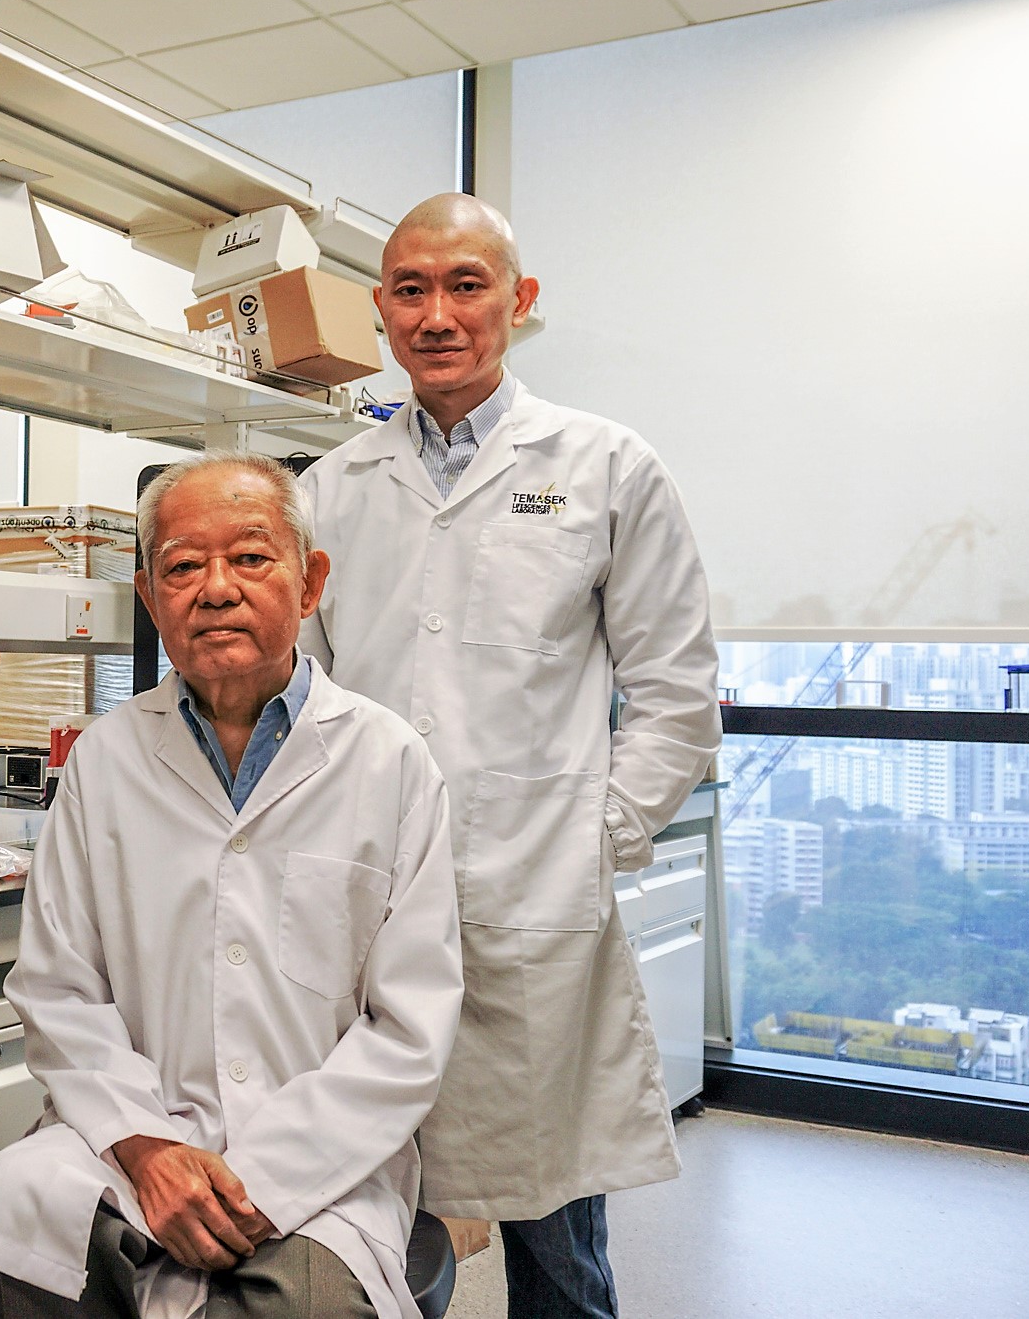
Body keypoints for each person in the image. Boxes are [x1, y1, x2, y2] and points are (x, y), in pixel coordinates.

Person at [298, 193, 721, 1319]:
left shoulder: (605, 467)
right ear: (379, 313)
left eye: (464, 285)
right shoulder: (329, 489)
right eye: (409, 289)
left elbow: (676, 696)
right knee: (372, 1228)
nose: (436, 315)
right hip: (367, 911)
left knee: (553, 1246)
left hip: (534, 910)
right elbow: (299, 703)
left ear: (517, 303)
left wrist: (592, 844)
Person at [0, 451, 463, 1319]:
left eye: (251, 557)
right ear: (150, 598)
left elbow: (408, 1030)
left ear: (311, 584)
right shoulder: (106, 762)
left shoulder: (390, 761)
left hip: (321, 1161)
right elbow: (59, 990)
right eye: (183, 566)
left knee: (301, 1303)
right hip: (131, 1138)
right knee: (23, 1228)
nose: (215, 588)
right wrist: (146, 1149)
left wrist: (263, 1178)